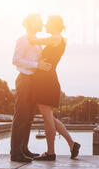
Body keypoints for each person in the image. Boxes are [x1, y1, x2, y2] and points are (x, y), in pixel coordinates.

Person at [28, 15, 80, 161]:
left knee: (47, 118)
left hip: (45, 80)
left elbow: (33, 40)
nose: (45, 26)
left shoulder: (55, 38)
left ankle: (50, 153)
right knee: (49, 117)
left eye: (47, 23)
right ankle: (72, 144)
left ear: (54, 25)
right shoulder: (59, 40)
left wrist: (29, 26)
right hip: (48, 79)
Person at [10, 13, 61, 163]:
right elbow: (15, 60)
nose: (41, 23)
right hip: (24, 79)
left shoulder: (37, 42)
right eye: (39, 21)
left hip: (34, 82)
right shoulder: (23, 40)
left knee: (29, 116)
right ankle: (15, 153)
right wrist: (37, 65)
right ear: (31, 23)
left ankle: (23, 149)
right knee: (20, 116)